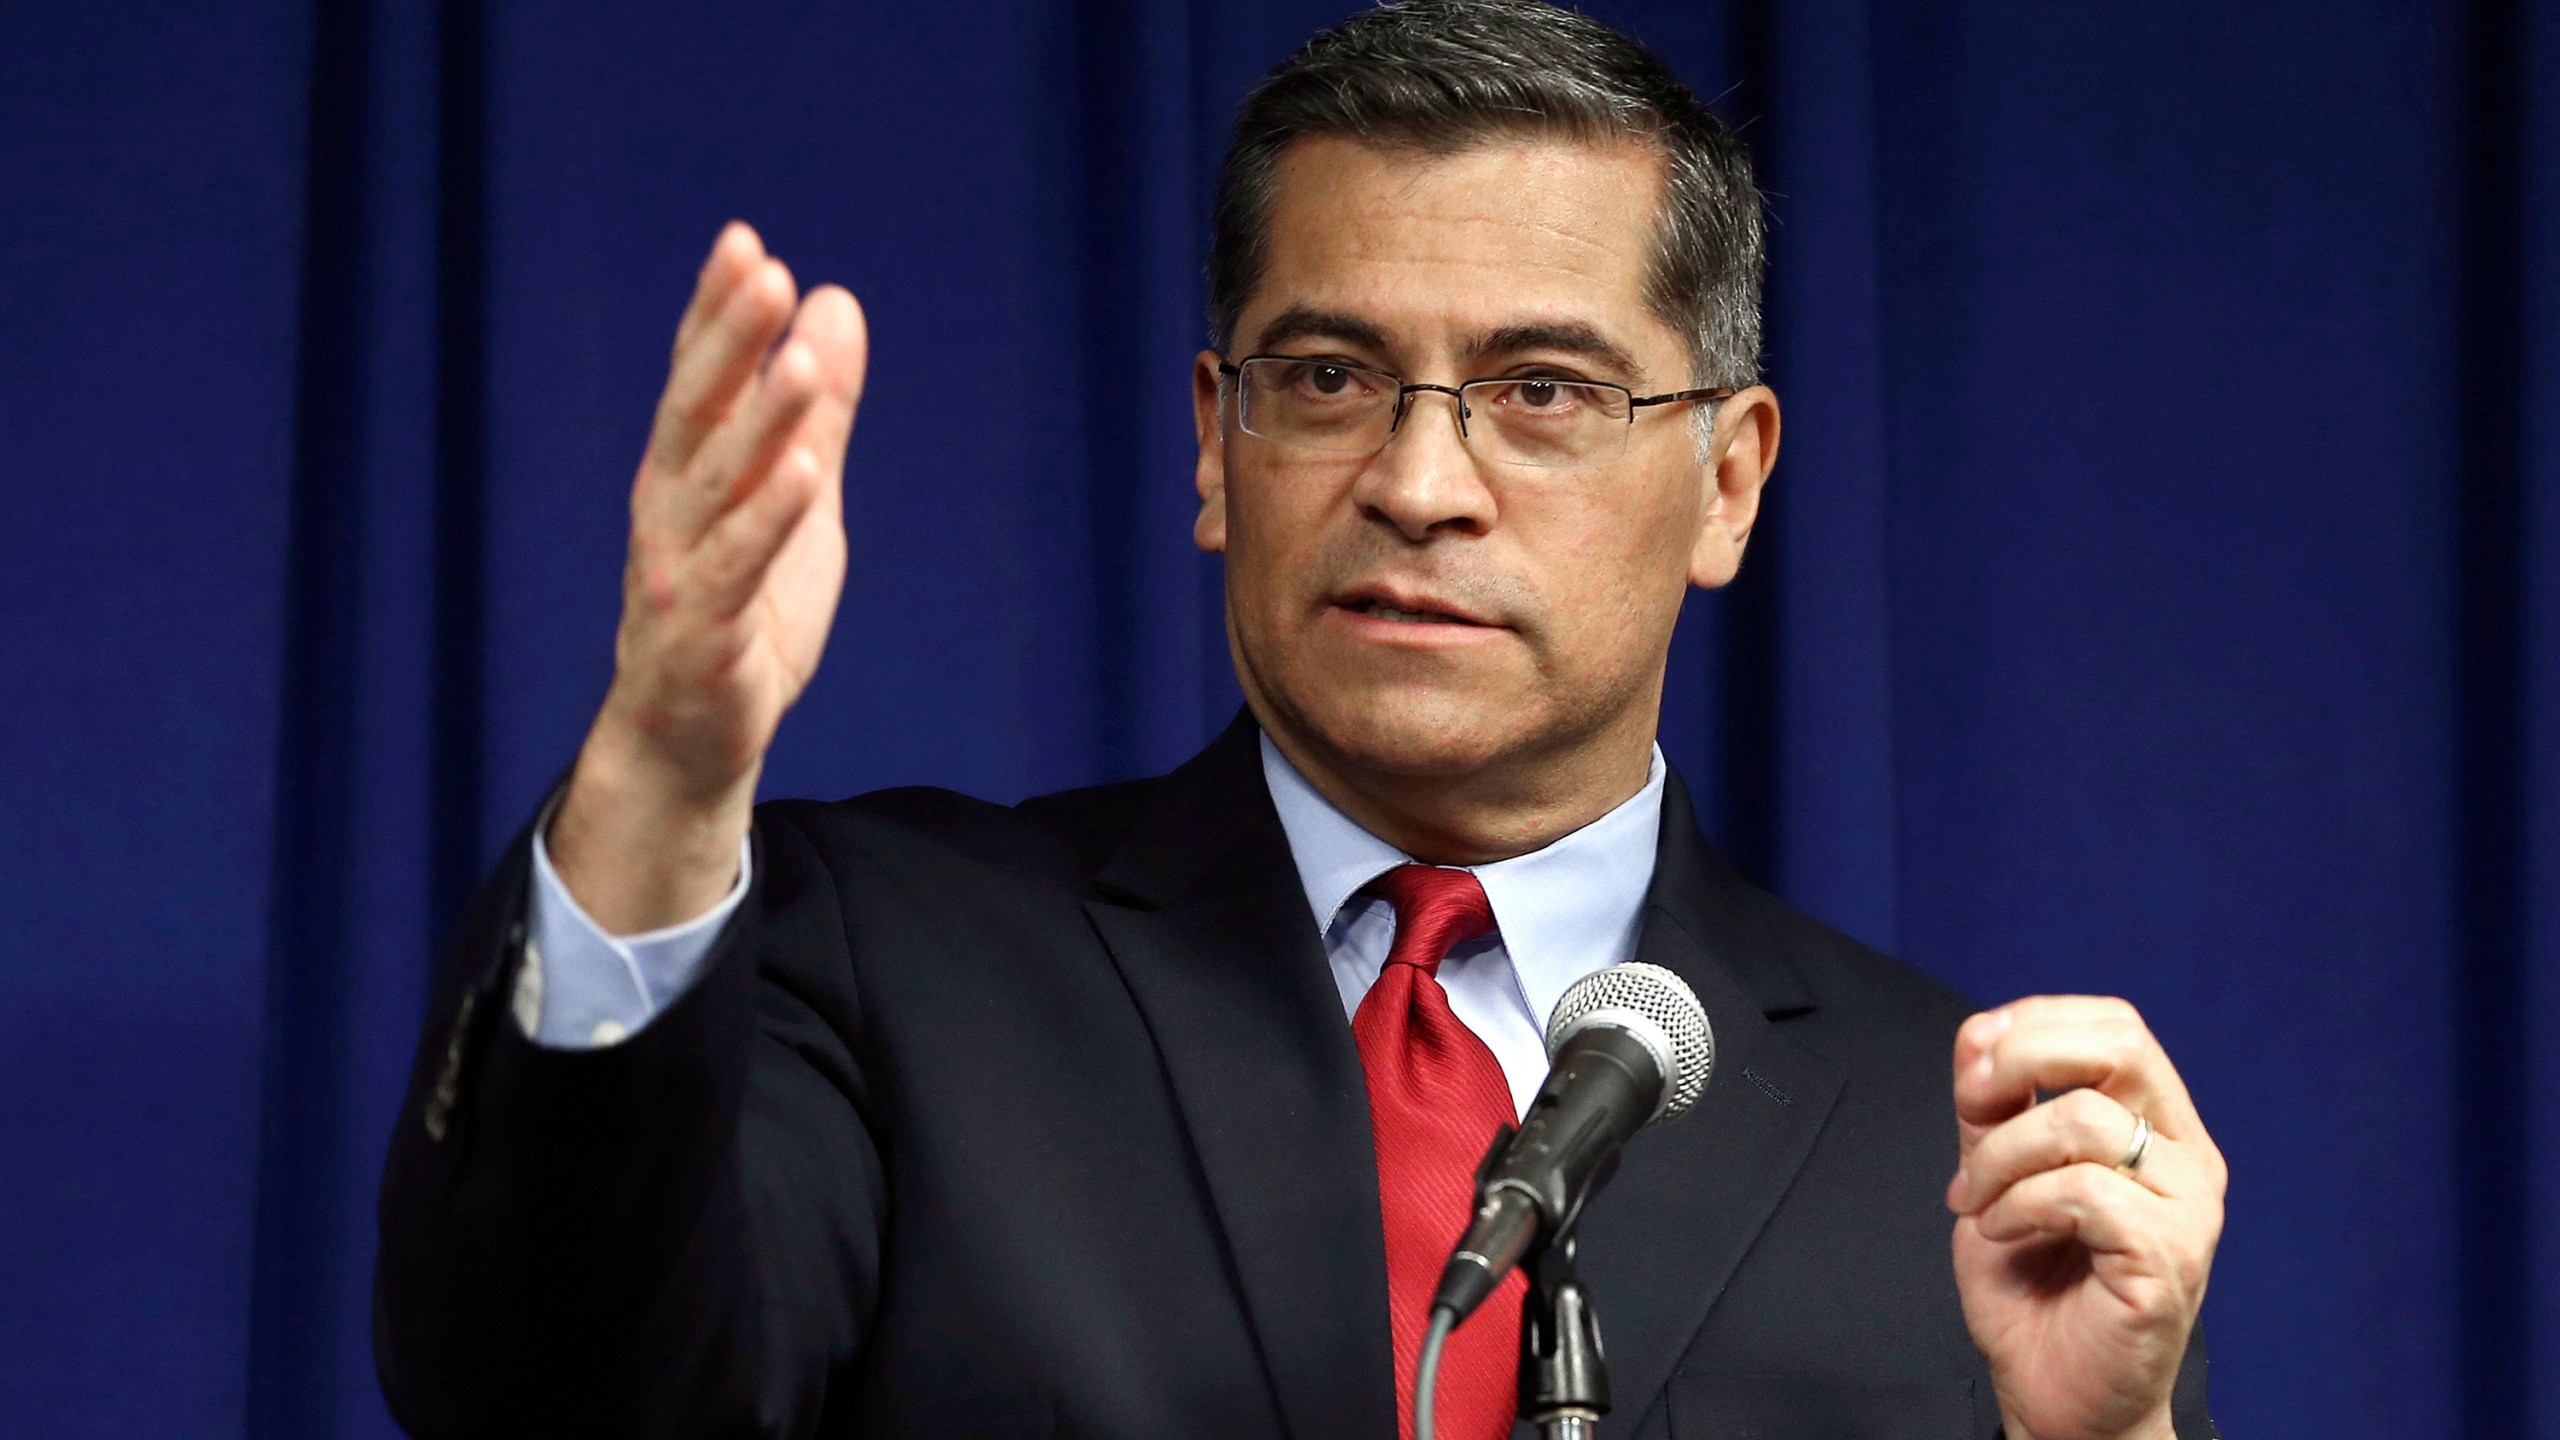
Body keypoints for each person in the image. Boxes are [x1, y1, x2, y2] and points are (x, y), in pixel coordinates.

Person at [375, 2, 2226, 1437]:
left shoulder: (1955, 1137)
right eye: (1331, 377)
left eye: (1543, 390)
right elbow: (557, 1388)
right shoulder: (885, 959)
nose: (1422, 480)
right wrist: (665, 782)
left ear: (1729, 483)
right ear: (1213, 441)